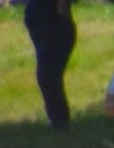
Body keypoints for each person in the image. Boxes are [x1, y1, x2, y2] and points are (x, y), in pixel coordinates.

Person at [25, 0, 76, 131]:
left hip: (55, 27)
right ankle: (58, 118)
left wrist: (62, 16)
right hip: (44, 27)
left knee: (48, 76)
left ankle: (59, 120)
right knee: (48, 76)